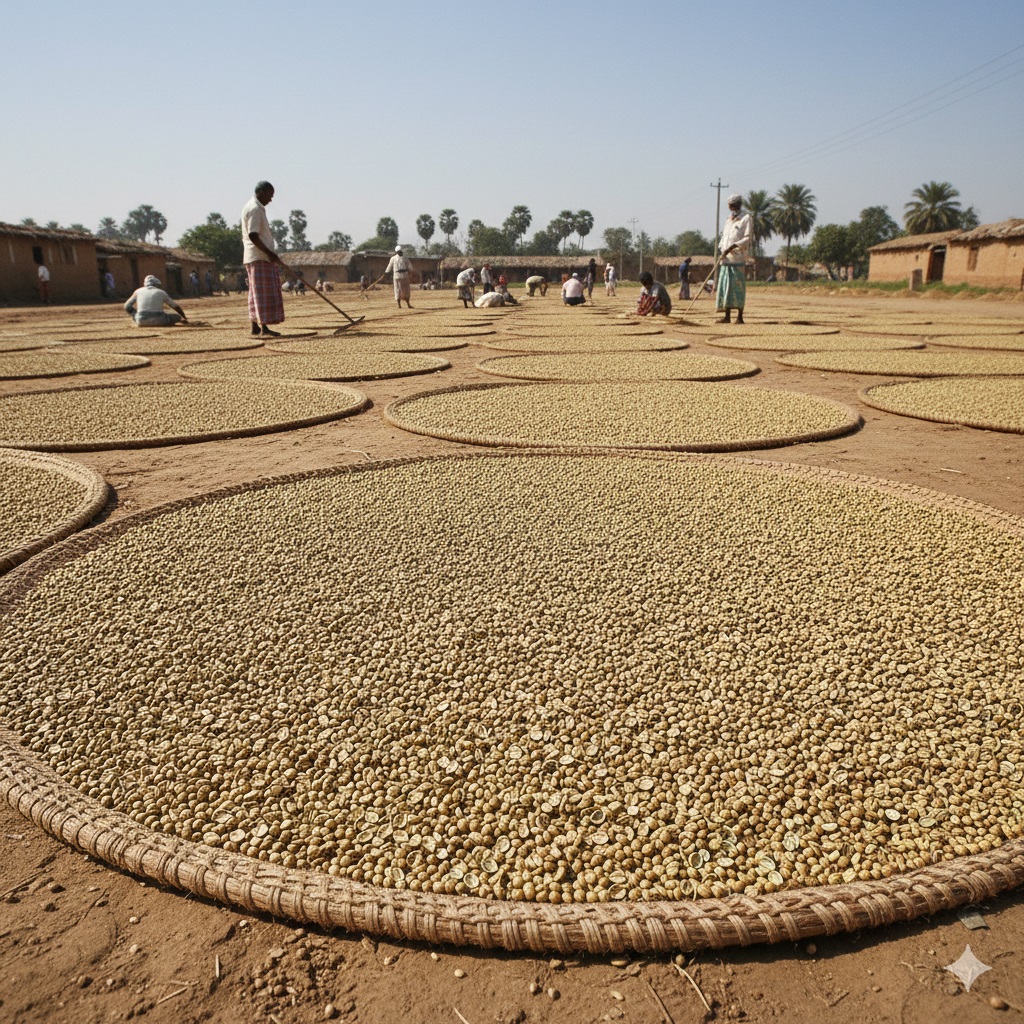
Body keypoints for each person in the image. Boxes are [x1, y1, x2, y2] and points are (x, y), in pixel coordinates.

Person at [241, 179, 291, 337]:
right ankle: (264, 328)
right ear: (261, 193)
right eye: (270, 195)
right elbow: (253, 235)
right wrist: (269, 253)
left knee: (255, 292)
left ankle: (255, 326)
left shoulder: (255, 207)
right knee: (262, 292)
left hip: (256, 256)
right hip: (259, 256)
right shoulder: (255, 208)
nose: (271, 199)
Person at [716, 194, 752, 324]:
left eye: (732, 205)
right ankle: (727, 316)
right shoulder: (728, 219)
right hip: (726, 259)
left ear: (738, 204)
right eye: (729, 205)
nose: (730, 207)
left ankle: (740, 317)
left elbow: (747, 238)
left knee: (737, 288)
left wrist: (732, 247)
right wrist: (722, 249)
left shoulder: (746, 218)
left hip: (737, 259)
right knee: (726, 287)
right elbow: (724, 237)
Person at [124, 275, 188, 326]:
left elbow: (127, 306)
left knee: (138, 316)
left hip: (141, 321)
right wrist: (183, 317)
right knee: (176, 317)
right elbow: (176, 307)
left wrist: (136, 316)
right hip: (160, 320)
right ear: (157, 284)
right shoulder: (161, 292)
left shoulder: (138, 291)